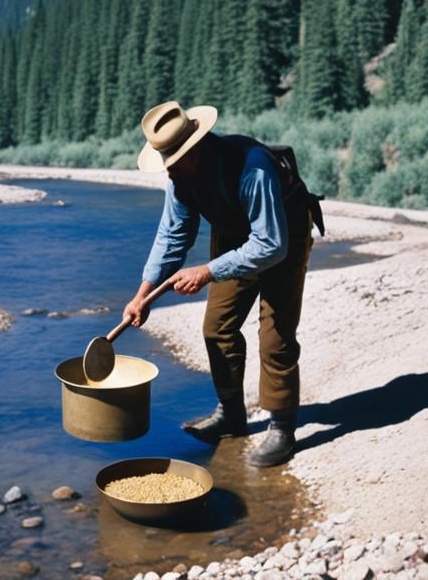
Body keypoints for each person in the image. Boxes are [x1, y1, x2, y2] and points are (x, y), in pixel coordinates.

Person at [123, 101, 323, 467]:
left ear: (195, 148)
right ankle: (232, 414)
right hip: (235, 236)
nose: (169, 170)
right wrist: (143, 294)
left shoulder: (253, 167)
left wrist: (206, 271)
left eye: (174, 160)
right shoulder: (181, 177)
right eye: (165, 161)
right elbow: (171, 237)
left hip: (284, 234)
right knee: (217, 328)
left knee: (275, 336)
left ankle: (281, 426)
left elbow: (269, 245)